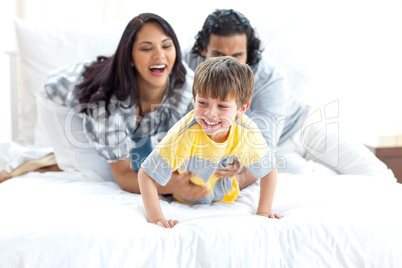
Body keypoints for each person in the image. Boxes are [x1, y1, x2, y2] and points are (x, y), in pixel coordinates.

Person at [183, 9, 393, 181]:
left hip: (303, 128)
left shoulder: (270, 76)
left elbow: (263, 142)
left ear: (249, 51)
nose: (227, 65)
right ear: (203, 49)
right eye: (218, 54)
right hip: (279, 149)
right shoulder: (185, 65)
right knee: (312, 181)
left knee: (379, 176)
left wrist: (240, 168)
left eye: (237, 55)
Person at [36, 13, 220, 199]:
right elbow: (123, 177)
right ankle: (29, 161)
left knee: (143, 164)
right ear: (130, 58)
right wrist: (171, 187)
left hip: (121, 106)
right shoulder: (107, 104)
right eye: (147, 48)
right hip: (59, 98)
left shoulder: (187, 86)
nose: (159, 55)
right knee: (100, 174)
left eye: (166, 46)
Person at [138, 56, 281, 228]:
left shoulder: (246, 130)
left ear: (241, 108)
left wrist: (263, 211)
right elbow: (146, 174)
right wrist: (156, 218)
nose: (210, 113)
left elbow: (269, 168)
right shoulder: (186, 132)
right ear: (194, 99)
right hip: (186, 199)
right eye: (202, 102)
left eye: (222, 106)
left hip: (226, 196)